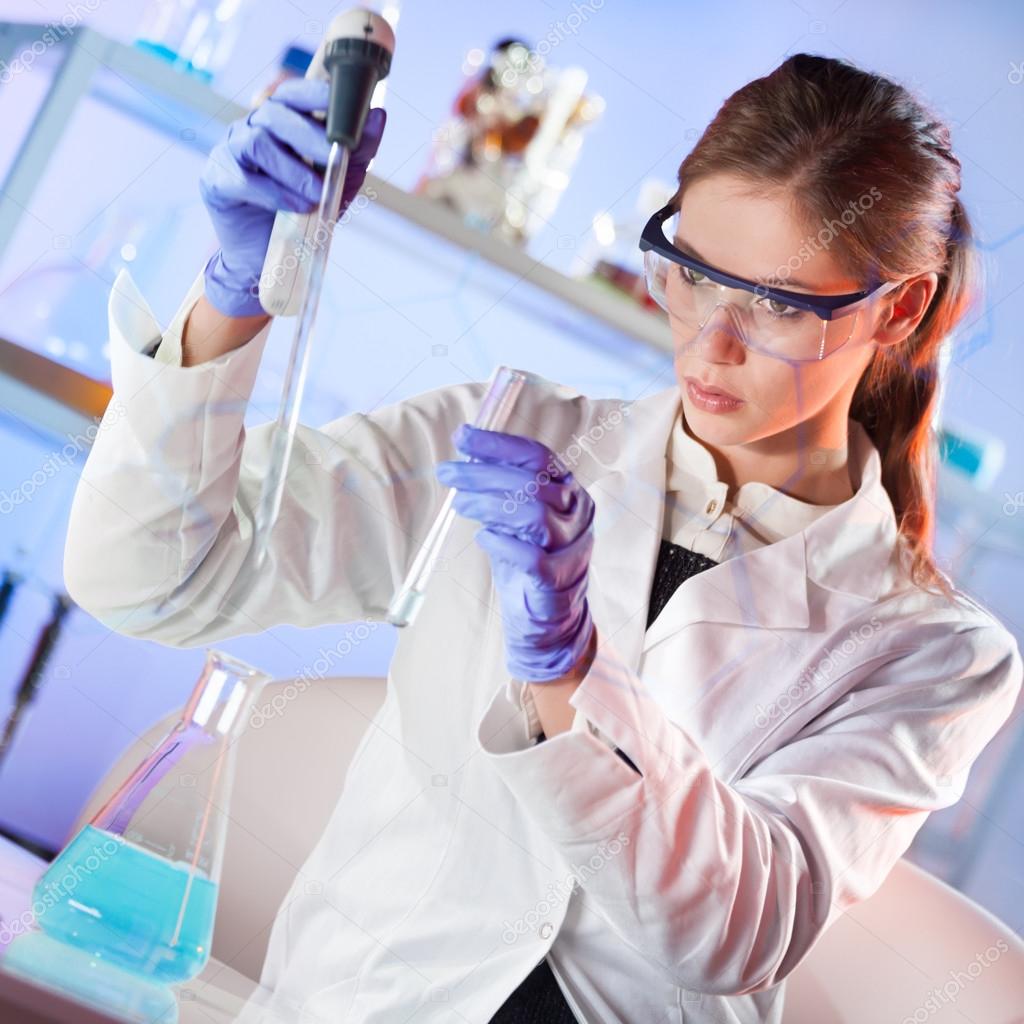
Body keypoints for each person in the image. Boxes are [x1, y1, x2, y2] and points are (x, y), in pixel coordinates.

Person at [63, 54, 1022, 1024]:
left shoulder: (937, 651)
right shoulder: (506, 441)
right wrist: (231, 294)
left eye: (774, 302)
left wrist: (571, 670)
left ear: (895, 309)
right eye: (689, 273)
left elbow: (730, 929)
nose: (711, 342)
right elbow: (150, 578)